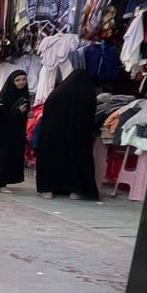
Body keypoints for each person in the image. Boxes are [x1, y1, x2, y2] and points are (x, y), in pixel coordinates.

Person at [35, 69, 100, 200]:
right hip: (77, 135)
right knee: (77, 159)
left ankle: (48, 189)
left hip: (52, 133)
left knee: (52, 159)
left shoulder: (57, 93)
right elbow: (89, 117)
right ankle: (75, 190)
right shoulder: (87, 93)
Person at [0, 70, 31, 193]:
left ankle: (2, 182)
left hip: (16, 133)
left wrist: (26, 113)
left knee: (10, 157)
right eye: (18, 80)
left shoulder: (24, 94)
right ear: (12, 81)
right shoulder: (5, 95)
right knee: (1, 157)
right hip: (3, 134)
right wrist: (17, 112)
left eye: (23, 79)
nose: (21, 82)